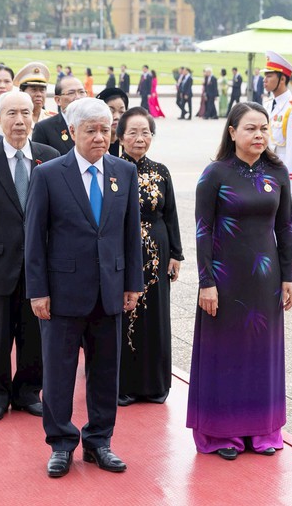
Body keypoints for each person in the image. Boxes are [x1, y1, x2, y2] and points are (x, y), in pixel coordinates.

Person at [24, 97, 143, 478]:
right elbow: (34, 238)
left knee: (106, 372)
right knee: (58, 374)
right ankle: (61, 444)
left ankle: (99, 441)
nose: (99, 137)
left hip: (109, 290)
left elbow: (129, 235)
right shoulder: (48, 174)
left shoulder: (123, 173)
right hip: (62, 294)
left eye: (105, 130)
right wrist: (38, 290)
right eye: (90, 130)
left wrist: (132, 284)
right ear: (72, 131)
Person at [187, 101, 292, 461]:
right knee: (226, 355)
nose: (259, 134)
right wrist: (206, 282)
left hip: (265, 282)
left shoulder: (277, 173)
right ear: (232, 132)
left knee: (262, 355)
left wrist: (289, 276)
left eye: (264, 128)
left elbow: (285, 228)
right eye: (251, 128)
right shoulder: (215, 174)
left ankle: (262, 430)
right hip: (224, 280)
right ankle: (223, 435)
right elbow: (203, 231)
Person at [0, 91, 59, 422]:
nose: (19, 121)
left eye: (25, 113)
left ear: (34, 116)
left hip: (40, 265)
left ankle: (28, 391)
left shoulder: (49, 156)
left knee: (34, 332)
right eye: (11, 114)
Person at [115, 107, 183, 407]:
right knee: (125, 315)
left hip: (158, 252)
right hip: (122, 251)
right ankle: (125, 385)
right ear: (120, 136)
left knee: (155, 315)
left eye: (146, 133)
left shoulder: (161, 171)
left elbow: (171, 216)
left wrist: (176, 254)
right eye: (133, 132)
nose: (140, 139)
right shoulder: (111, 168)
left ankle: (156, 385)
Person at [263, 51, 292, 214]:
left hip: (284, 177)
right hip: (267, 175)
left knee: (286, 228)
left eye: (269, 75)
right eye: (264, 75)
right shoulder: (267, 105)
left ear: (282, 79)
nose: (264, 79)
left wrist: (289, 184)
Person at [31, 75, 86, 155]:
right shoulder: (44, 128)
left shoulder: (94, 123)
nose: (78, 97)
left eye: (81, 92)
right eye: (71, 93)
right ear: (58, 100)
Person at [95, 87, 128, 157]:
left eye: (121, 112)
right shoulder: (93, 146)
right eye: (111, 111)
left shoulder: (129, 146)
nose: (117, 117)